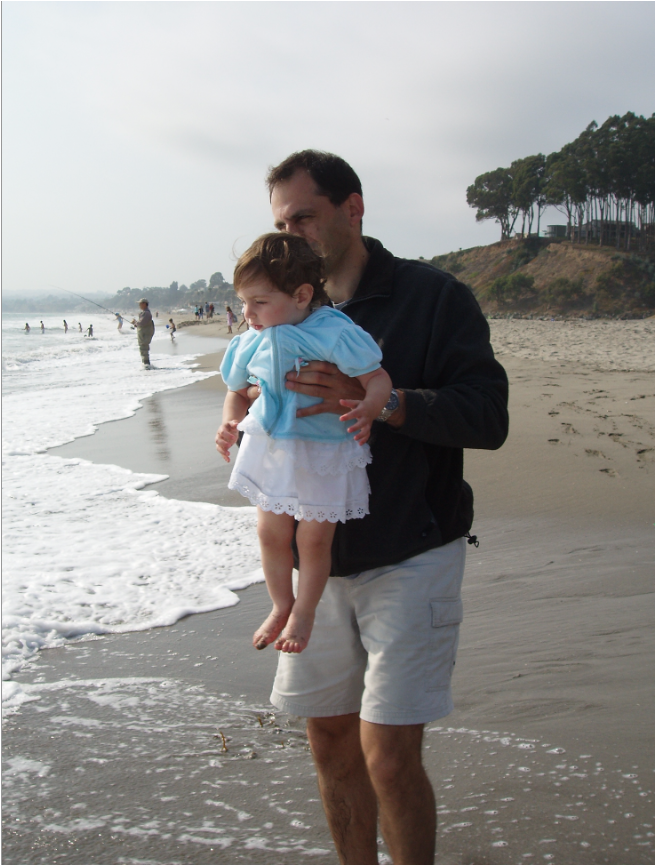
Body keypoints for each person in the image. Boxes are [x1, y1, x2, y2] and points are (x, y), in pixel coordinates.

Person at [255, 150, 509, 865]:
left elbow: (487, 415)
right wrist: (240, 423)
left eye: (304, 217)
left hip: (413, 552)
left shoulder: (433, 298)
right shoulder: (280, 310)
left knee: (389, 756)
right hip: (317, 565)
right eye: (282, 223)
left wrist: (384, 401)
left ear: (353, 208)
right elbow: (257, 404)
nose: (292, 235)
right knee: (330, 743)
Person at [217, 233, 392, 654]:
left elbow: (377, 378)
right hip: (271, 448)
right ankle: (281, 604)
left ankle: (304, 613)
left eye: (260, 301)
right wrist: (229, 423)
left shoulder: (332, 331)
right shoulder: (251, 340)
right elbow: (236, 391)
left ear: (301, 295)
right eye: (243, 302)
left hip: (324, 450)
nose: (248, 314)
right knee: (269, 533)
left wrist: (370, 408)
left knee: (313, 541)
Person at [131, 298, 155, 369]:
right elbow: (141, 323)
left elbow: (141, 323)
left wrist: (135, 322)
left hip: (145, 335)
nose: (139, 305)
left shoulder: (146, 313)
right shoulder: (145, 313)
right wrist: (136, 323)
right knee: (143, 348)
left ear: (144, 304)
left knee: (144, 348)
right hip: (144, 334)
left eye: (140, 304)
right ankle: (146, 365)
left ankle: (146, 366)